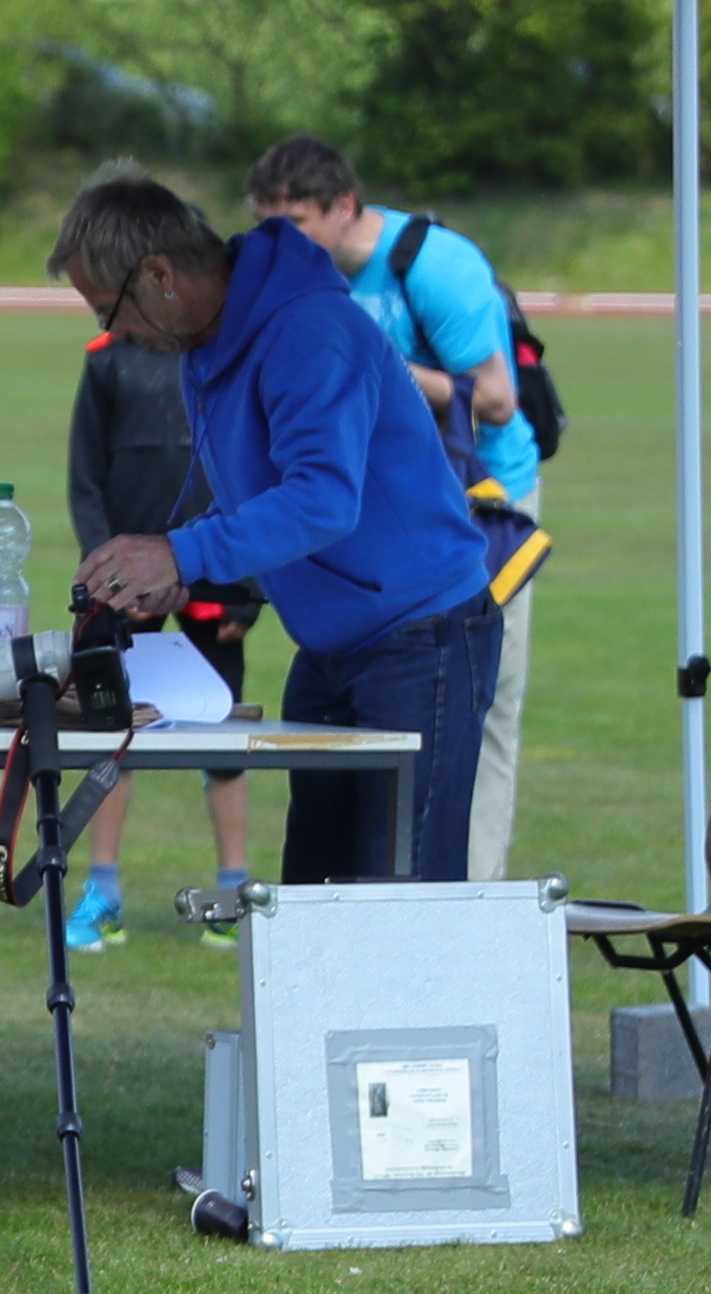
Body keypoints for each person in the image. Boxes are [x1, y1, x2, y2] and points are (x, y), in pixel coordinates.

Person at [51, 167, 497, 884]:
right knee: (311, 900)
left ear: (160, 276)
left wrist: (180, 553)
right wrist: (185, 570)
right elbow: (260, 496)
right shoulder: (208, 343)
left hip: (420, 639)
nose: (116, 335)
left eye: (110, 311)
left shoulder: (308, 332)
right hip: (333, 646)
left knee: (402, 904)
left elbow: (322, 499)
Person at [249, 135, 536, 880]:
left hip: (483, 501)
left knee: (478, 709)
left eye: (294, 225)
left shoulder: (432, 267)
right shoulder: (302, 281)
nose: (276, 246)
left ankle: (471, 892)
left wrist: (366, 358)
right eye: (264, 227)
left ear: (343, 207)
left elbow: (497, 399)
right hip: (390, 509)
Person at [60, 330, 259, 952]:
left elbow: (255, 471)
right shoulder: (107, 358)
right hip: (125, 582)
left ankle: (233, 892)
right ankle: (102, 892)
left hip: (215, 576)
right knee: (112, 732)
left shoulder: (230, 349)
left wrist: (247, 590)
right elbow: (85, 478)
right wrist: (104, 570)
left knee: (224, 738)